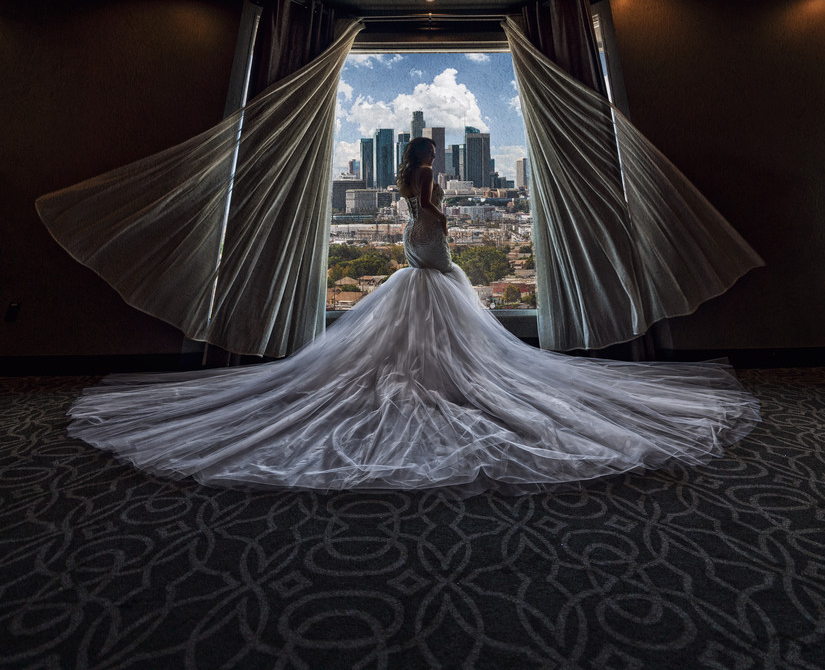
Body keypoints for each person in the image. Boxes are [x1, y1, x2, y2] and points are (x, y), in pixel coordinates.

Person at [65, 136, 759, 493]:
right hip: (427, 240)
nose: (432, 158)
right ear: (427, 156)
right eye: (431, 154)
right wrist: (442, 210)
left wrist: (429, 215)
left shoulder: (404, 175)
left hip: (415, 246)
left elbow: (416, 208)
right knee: (442, 298)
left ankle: (423, 373)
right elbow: (428, 208)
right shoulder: (426, 178)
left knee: (424, 299)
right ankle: (439, 376)